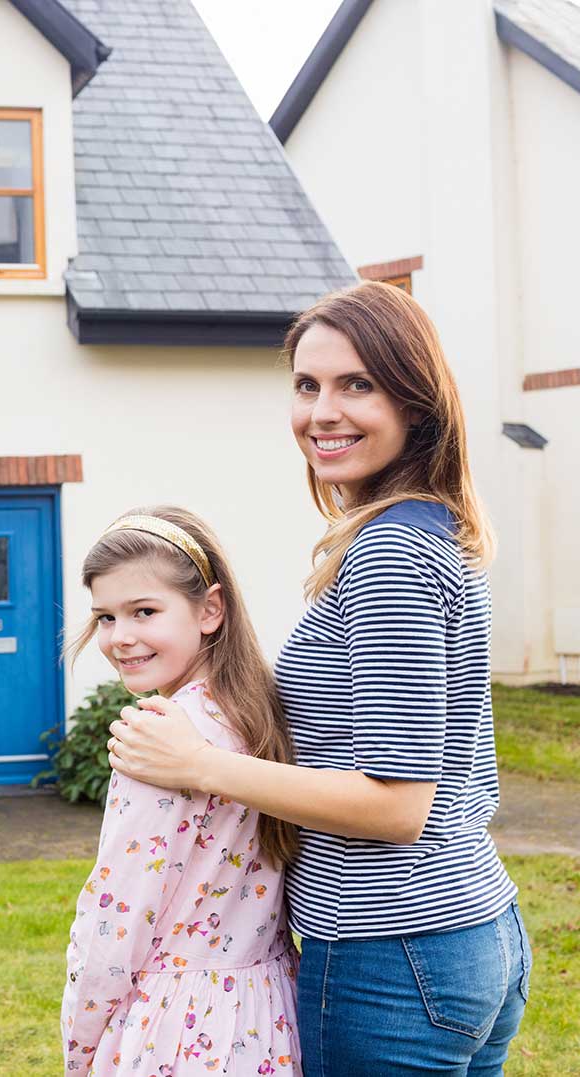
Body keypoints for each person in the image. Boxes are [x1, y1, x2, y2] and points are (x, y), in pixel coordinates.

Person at [106, 282, 531, 1076]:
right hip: (468, 930)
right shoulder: (427, 528)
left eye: (356, 384)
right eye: (307, 385)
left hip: (391, 953)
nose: (322, 412)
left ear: (416, 400)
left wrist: (199, 765)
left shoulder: (390, 554)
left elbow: (398, 803)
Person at [61, 507, 303, 1075]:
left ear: (209, 609)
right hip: (266, 1015)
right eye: (105, 617)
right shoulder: (254, 715)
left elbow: (113, 924)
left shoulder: (159, 741)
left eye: (144, 611)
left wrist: (80, 1045)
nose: (120, 637)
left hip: (174, 1028)